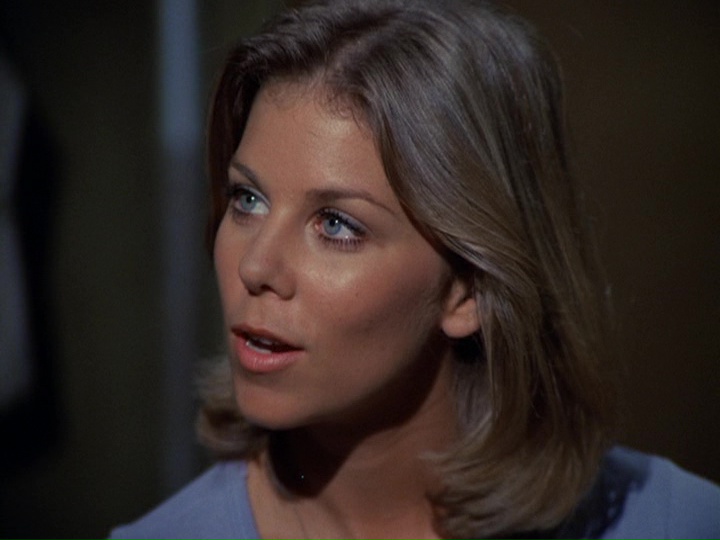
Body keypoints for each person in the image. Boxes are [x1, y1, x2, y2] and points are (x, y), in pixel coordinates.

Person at [108, 1, 720, 538]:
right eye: (248, 199)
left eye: (336, 225)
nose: (255, 265)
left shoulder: (678, 524)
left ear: (470, 286)